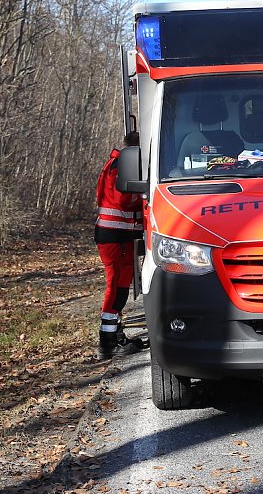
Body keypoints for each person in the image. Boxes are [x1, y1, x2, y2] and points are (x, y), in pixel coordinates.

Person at [95, 131, 143, 360]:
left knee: (122, 286)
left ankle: (115, 335)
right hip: (114, 234)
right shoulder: (121, 166)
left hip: (119, 234)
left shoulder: (118, 163)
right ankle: (107, 343)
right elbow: (123, 199)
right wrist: (143, 197)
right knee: (116, 287)